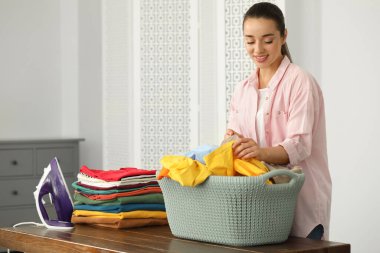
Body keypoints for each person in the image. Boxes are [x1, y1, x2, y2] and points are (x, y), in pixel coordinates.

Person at [225, 2, 331, 240]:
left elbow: (300, 145)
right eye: (250, 41)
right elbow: (232, 136)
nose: (258, 49)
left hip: (302, 204)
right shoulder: (243, 89)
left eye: (268, 40)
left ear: (284, 36)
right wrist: (230, 143)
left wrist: (259, 152)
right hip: (262, 206)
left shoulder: (300, 82)